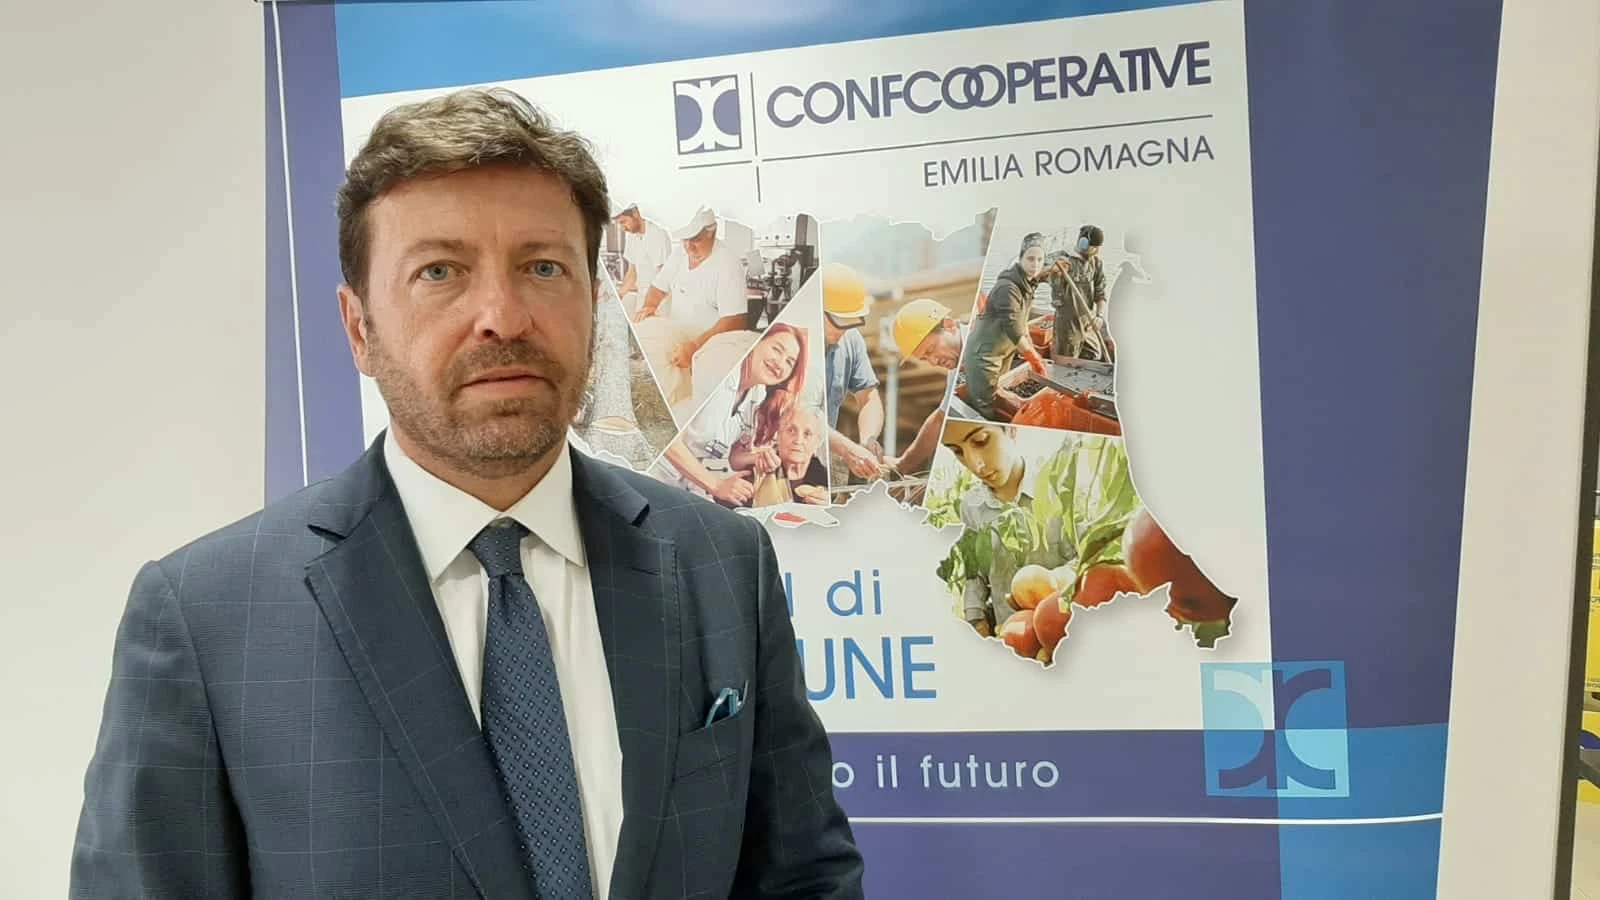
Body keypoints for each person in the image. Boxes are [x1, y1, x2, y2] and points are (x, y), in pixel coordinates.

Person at [70, 88, 863, 900]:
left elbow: (803, 877)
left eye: (543, 267)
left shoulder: (720, 562)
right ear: (359, 329)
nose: (503, 317)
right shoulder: (209, 619)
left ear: (596, 305)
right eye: (439, 272)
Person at [938, 420, 1076, 638]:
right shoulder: (971, 506)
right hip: (1006, 635)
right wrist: (976, 617)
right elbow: (975, 572)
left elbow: (1085, 561)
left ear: (1011, 430)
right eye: (958, 452)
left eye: (981, 441)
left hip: (1062, 632)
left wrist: (1044, 585)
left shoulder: (1057, 486)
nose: (976, 466)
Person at [654, 323, 809, 508]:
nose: (780, 364)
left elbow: (727, 456)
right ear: (756, 343)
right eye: (776, 349)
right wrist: (716, 485)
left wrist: (754, 458)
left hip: (694, 489)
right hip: (659, 473)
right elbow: (662, 437)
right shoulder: (721, 369)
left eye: (790, 362)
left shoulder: (757, 395)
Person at [631, 207, 751, 407]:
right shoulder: (680, 253)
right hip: (678, 340)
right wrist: (650, 306)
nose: (689, 247)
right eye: (684, 240)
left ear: (712, 231)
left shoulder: (728, 264)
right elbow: (658, 286)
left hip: (707, 348)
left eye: (695, 239)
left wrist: (696, 346)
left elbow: (736, 321)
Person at [959, 232, 1051, 422]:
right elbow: (1014, 328)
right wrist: (1034, 358)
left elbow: (1022, 321)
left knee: (998, 395)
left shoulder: (1027, 283)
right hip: (984, 357)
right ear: (1020, 258)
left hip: (1004, 353)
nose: (1035, 265)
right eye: (1030, 259)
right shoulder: (1007, 288)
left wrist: (1052, 270)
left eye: (1040, 260)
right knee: (984, 406)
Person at [884, 296, 972, 476]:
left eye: (931, 350)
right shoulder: (957, 367)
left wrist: (902, 465)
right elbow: (939, 419)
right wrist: (902, 465)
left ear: (949, 325)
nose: (933, 362)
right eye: (924, 358)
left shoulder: (978, 342)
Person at [819, 262, 888, 481]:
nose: (844, 330)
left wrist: (868, 440)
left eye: (851, 321)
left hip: (824, 455)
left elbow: (869, 398)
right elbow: (797, 415)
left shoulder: (851, 339)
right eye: (838, 321)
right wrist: (848, 450)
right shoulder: (788, 342)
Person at [1048, 224, 1110, 362]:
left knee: (1094, 354)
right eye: (1094, 247)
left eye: (1098, 247)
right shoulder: (1062, 259)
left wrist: (1099, 316)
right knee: (1067, 361)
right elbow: (1036, 272)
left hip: (1087, 321)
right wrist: (1053, 272)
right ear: (1083, 243)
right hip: (1068, 325)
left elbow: (1100, 294)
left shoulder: (1096, 263)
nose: (1097, 251)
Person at [750, 401, 831, 507]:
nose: (798, 440)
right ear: (778, 435)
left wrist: (828, 507)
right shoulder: (755, 470)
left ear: (818, 442)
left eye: (807, 434)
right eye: (791, 430)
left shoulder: (826, 482)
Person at [611, 200, 671, 315]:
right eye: (619, 224)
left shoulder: (657, 234)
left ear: (635, 213)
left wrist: (649, 306)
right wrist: (618, 296)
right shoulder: (632, 237)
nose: (623, 228)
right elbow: (632, 273)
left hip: (658, 304)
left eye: (623, 222)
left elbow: (663, 278)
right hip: (642, 300)